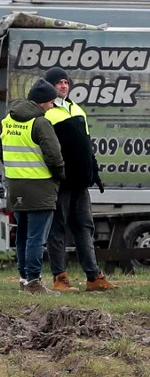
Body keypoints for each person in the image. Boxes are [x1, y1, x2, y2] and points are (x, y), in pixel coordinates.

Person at [43, 66, 116, 292]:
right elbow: (47, 150)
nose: (63, 86)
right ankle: (60, 277)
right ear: (50, 87)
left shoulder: (77, 110)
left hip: (81, 183)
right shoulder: (46, 114)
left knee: (85, 228)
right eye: (58, 83)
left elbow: (87, 146)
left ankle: (93, 277)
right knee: (57, 229)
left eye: (66, 82)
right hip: (61, 183)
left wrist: (94, 172)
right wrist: (58, 175)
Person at [0, 78, 65, 294]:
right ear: (42, 102)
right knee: (36, 237)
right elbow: (54, 156)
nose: (52, 105)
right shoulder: (40, 123)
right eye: (50, 102)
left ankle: (24, 279)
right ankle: (34, 282)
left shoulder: (8, 120)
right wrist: (59, 175)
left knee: (22, 235)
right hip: (39, 186)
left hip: (16, 186)